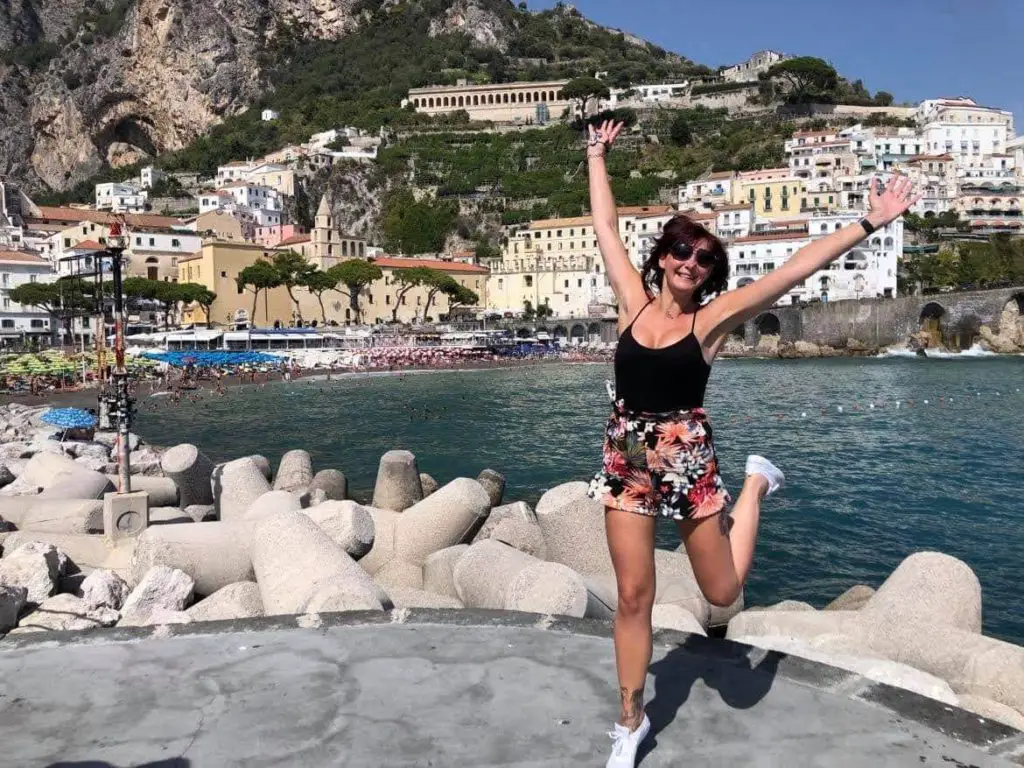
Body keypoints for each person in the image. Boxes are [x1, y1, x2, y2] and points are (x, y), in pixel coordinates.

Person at [584, 120, 919, 767]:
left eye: (705, 258)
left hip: (688, 456)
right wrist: (597, 154)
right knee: (633, 596)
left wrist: (869, 222)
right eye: (682, 250)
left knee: (721, 593)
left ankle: (756, 483)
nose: (691, 262)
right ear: (661, 256)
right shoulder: (631, 302)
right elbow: (604, 227)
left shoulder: (711, 321)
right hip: (626, 453)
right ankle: (629, 718)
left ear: (711, 273)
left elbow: (792, 271)